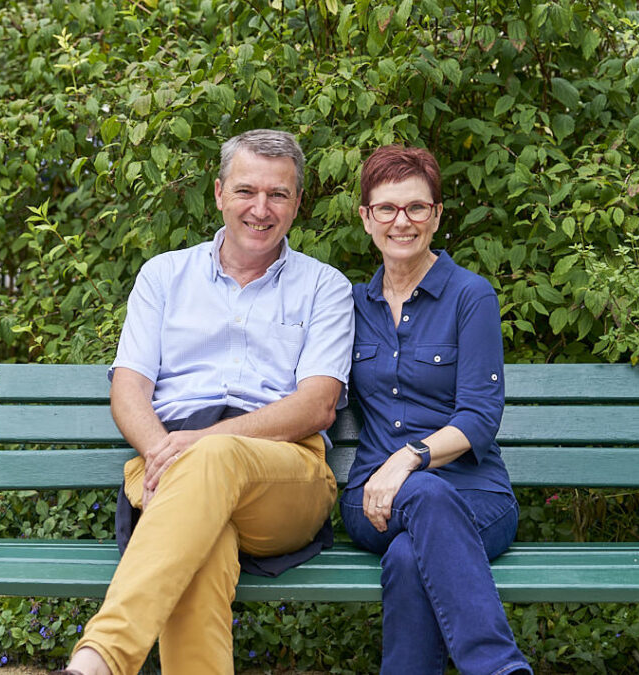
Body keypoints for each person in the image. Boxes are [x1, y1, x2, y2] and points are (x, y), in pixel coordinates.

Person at [59, 129, 355, 675]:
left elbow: (317, 405)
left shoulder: (325, 287)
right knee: (202, 549)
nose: (260, 209)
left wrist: (199, 445)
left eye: (278, 195)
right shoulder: (164, 276)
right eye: (246, 191)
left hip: (284, 472)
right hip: (166, 462)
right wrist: (160, 451)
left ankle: (100, 659)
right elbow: (128, 389)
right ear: (219, 193)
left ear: (296, 204)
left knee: (214, 458)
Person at [339, 145, 532, 675]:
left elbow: (479, 416)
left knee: (407, 557)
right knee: (417, 503)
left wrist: (408, 460)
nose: (402, 222)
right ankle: (500, 669)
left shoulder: (471, 296)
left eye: (417, 208)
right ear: (366, 218)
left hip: (477, 497)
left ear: (437, 215)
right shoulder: (348, 306)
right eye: (386, 209)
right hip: (371, 502)